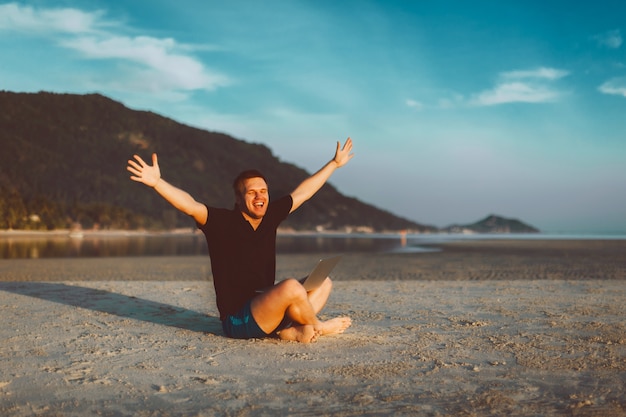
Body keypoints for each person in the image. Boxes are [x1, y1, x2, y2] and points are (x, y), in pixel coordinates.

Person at [126, 138, 354, 343]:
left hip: (266, 306)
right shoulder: (221, 222)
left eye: (263, 191)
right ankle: (318, 327)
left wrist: (333, 164)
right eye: (252, 192)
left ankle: (290, 331)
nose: (259, 196)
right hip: (237, 319)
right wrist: (157, 183)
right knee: (292, 287)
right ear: (238, 198)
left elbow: (303, 193)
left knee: (323, 282)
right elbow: (190, 205)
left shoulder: (270, 215)